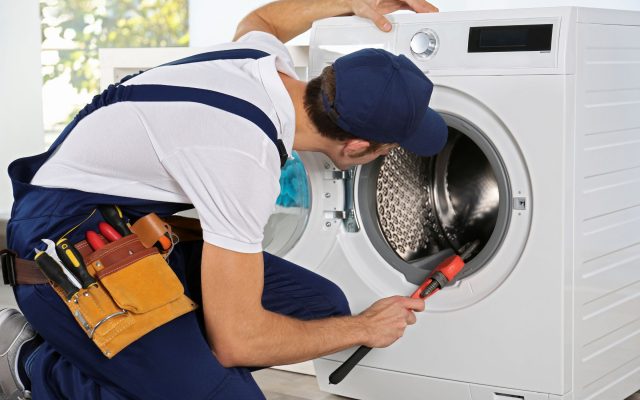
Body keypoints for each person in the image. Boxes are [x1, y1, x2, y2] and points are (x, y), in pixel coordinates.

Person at [0, 0, 447, 398]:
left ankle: (153, 365)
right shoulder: (244, 159)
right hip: (61, 252)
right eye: (389, 148)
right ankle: (31, 364)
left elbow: (264, 19)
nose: (387, 156)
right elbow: (237, 342)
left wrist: (348, 2)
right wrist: (365, 328)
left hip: (125, 227)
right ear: (357, 146)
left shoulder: (260, 64)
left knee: (320, 310)